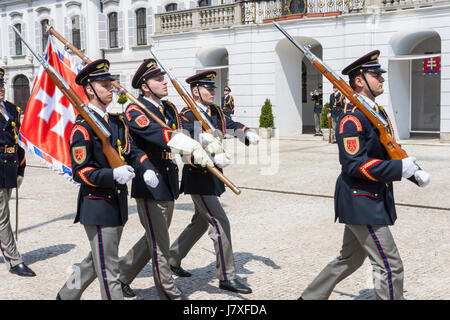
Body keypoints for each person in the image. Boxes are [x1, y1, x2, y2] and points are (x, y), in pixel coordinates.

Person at [299, 50, 430, 300]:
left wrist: (413, 172)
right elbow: (354, 164)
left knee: (349, 259)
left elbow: (390, 150)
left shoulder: (377, 112)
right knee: (390, 265)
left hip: (369, 196)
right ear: (359, 80)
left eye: (381, 75)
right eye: (375, 75)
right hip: (361, 198)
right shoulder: (352, 117)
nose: (382, 79)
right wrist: (399, 170)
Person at [57, 59, 159, 300]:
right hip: (98, 205)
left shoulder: (116, 122)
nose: (111, 88)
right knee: (109, 270)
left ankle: (66, 294)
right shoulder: (82, 128)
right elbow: (80, 171)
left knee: (97, 259)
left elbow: (131, 150)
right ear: (90, 89)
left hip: (117, 204)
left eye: (110, 83)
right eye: (104, 84)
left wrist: (146, 167)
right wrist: (112, 174)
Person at [116, 59, 217, 300]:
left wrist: (202, 140)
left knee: (154, 237)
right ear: (145, 86)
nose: (165, 82)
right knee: (160, 244)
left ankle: (121, 276)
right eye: (159, 79)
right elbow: (155, 133)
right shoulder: (134, 108)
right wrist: (187, 142)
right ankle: (169, 293)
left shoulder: (169, 108)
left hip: (168, 180)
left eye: (164, 78)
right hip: (150, 182)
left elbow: (181, 131)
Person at [168, 70, 260, 294]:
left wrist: (244, 132)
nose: (213, 91)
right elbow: (184, 145)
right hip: (199, 178)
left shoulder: (215, 111)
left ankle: (172, 258)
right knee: (220, 223)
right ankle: (226, 276)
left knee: (199, 223)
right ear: (195, 91)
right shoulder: (186, 115)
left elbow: (229, 123)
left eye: (213, 88)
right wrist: (207, 148)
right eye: (208, 88)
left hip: (213, 177)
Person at [0, 68, 35, 277]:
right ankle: (14, 261)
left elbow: (18, 142)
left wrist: (21, 168)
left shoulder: (12, 110)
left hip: (9, 169)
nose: (1, 89)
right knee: (2, 217)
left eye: (2, 85)